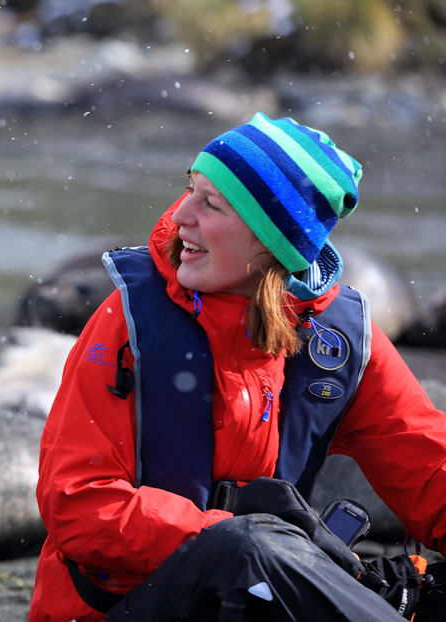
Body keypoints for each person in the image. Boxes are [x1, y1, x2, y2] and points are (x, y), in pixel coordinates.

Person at [30, 112, 446, 621]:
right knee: (245, 551)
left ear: (274, 241)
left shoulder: (340, 339)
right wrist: (242, 538)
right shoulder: (128, 319)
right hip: (118, 608)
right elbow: (75, 505)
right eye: (189, 191)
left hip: (259, 597)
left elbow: (431, 471)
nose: (181, 216)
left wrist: (289, 555)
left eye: (212, 204)